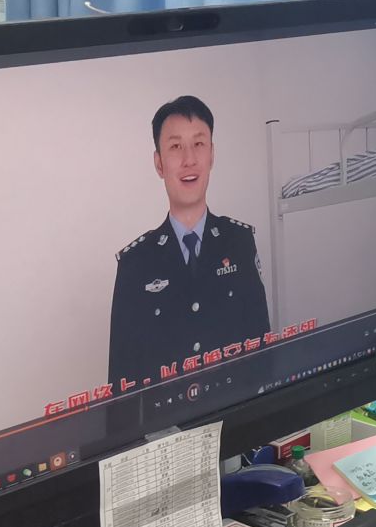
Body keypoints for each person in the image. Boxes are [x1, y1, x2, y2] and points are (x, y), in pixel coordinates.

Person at [107, 95, 270, 390]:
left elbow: (262, 354)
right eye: (175, 146)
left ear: (211, 155)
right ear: (159, 163)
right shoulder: (135, 263)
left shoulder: (240, 243)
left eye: (198, 143)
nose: (189, 159)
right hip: (167, 419)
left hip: (238, 412)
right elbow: (121, 386)